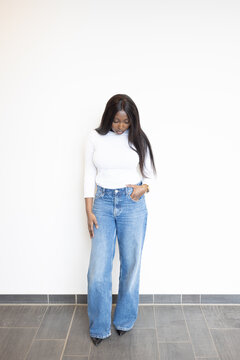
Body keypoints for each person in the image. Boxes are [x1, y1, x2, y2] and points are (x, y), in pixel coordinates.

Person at [83, 94, 157, 346]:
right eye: (116, 121)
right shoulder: (95, 137)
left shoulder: (138, 138)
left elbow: (151, 175)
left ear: (132, 120)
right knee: (98, 271)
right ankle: (99, 326)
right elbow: (88, 173)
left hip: (132, 203)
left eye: (126, 122)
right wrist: (88, 210)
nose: (121, 126)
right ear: (108, 117)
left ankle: (124, 320)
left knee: (131, 265)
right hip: (102, 203)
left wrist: (142, 189)